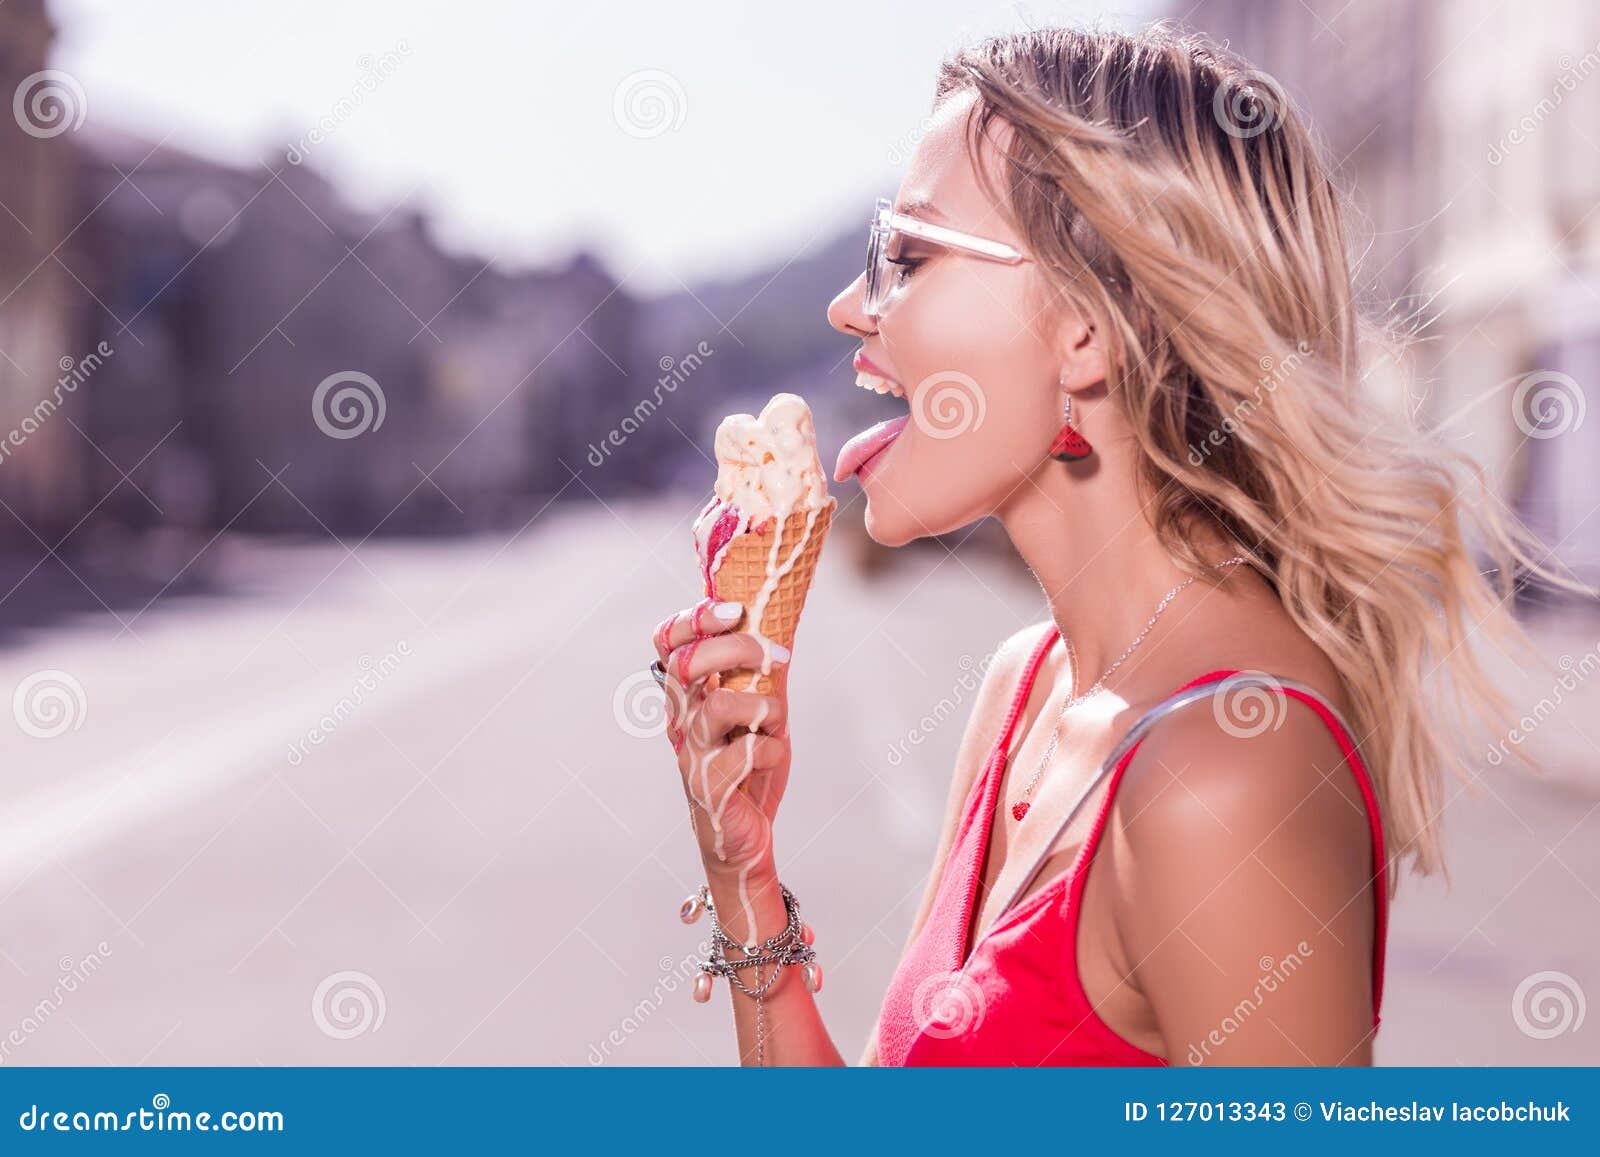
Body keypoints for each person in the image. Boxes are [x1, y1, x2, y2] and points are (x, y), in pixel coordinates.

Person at [649, 24, 1585, 1066]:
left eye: (906, 256)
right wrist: (743, 872)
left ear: (1089, 328)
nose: (847, 305)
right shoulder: (1026, 689)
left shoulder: (1228, 771)